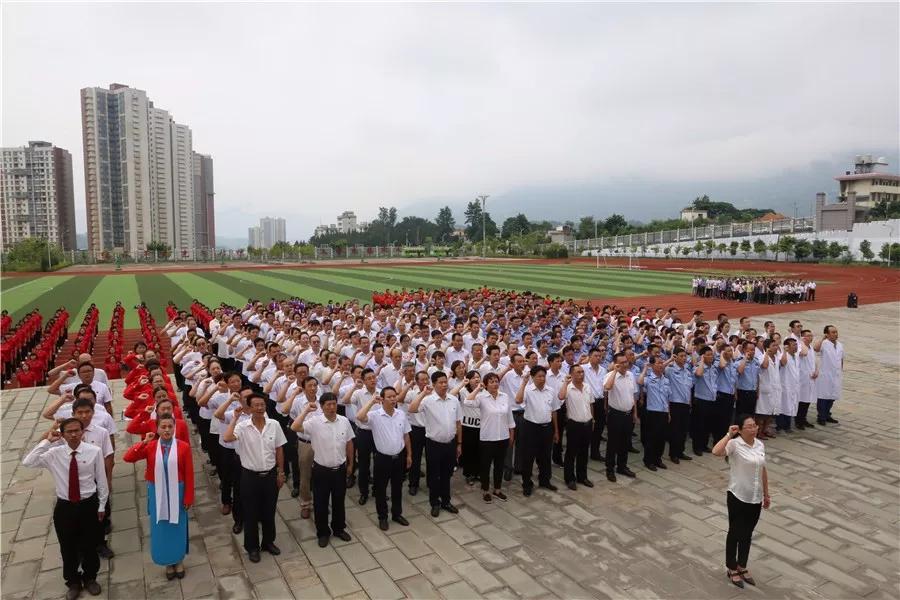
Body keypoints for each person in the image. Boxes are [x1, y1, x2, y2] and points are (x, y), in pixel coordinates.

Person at [22, 419, 108, 600]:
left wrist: (101, 505)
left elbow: (101, 480)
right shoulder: (54, 454)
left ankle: (90, 578)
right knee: (67, 546)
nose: (74, 434)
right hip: (65, 506)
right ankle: (73, 582)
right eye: (69, 431)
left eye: (77, 430)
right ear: (62, 434)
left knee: (89, 544)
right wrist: (47, 440)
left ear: (82, 432)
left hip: (88, 504)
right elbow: (27, 462)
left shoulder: (94, 451)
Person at [123, 415, 194, 580]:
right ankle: (167, 561)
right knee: (161, 526)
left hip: (178, 490)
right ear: (157, 428)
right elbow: (128, 458)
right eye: (163, 427)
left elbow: (189, 473)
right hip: (158, 491)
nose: (167, 430)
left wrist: (188, 497)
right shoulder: (151, 447)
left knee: (178, 525)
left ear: (175, 428)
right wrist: (144, 442)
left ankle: (178, 559)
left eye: (170, 426)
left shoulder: (183, 447)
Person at [221, 392, 287, 563]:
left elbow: (279, 449)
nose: (259, 408)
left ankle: (268, 542)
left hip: (270, 475)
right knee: (250, 513)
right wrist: (235, 418)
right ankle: (252, 547)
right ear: (249, 408)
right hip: (250, 477)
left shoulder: (274, 424)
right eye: (256, 405)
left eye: (262, 405)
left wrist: (281, 472)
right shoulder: (242, 427)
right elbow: (227, 438)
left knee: (269, 511)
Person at [712, 415, 770, 589]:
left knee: (748, 533)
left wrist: (766, 494)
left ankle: (742, 566)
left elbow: (763, 469)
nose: (754, 429)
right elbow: (716, 452)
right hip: (738, 496)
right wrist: (729, 435)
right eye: (750, 426)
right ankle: (731, 567)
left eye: (755, 426)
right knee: (735, 532)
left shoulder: (760, 444)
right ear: (741, 429)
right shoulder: (734, 444)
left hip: (755, 496)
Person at [292, 392, 355, 548]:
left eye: (334, 403)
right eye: (328, 404)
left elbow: (349, 443)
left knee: (339, 501)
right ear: (322, 407)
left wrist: (351, 464)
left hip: (339, 469)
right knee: (320, 503)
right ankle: (323, 533)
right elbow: (295, 427)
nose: (332, 407)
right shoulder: (315, 422)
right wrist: (306, 410)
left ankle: (339, 529)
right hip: (321, 470)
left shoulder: (344, 421)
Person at [356, 386, 412, 531]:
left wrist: (409, 455)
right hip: (382, 459)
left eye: (394, 396)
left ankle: (397, 514)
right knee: (380, 489)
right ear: (382, 399)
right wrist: (371, 402)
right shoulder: (375, 415)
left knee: (397, 488)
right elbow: (360, 417)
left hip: (399, 457)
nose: (393, 399)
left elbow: (406, 435)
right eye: (389, 397)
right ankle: (382, 517)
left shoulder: (400, 414)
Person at [408, 371, 462, 517]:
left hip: (450, 444)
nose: (444, 385)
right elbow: (412, 409)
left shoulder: (453, 400)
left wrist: (459, 443)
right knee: (434, 475)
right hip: (434, 444)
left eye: (446, 382)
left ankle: (446, 501)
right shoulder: (428, 400)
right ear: (434, 384)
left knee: (447, 474)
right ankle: (435, 503)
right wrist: (423, 393)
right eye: (441, 382)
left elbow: (458, 423)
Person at [464, 372, 515, 502]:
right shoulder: (481, 397)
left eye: (496, 381)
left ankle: (497, 490)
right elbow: (467, 401)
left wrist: (511, 434)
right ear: (486, 384)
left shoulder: (505, 397)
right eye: (491, 382)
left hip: (502, 437)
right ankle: (485, 490)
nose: (495, 384)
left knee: (499, 465)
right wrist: (477, 388)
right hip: (487, 438)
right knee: (485, 466)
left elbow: (509, 417)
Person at [515, 365, 560, 495]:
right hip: (530, 428)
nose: (542, 379)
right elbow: (518, 400)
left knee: (546, 456)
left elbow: (554, 411)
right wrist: (524, 383)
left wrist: (556, 430)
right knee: (528, 457)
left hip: (547, 427)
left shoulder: (551, 390)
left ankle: (545, 480)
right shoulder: (528, 390)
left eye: (543, 376)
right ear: (533, 377)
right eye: (539, 376)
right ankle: (527, 483)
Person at [557, 365, 594, 489]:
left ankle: (582, 476)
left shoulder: (588, 387)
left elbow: (591, 404)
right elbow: (561, 397)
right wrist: (565, 383)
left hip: (587, 423)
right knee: (571, 453)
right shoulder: (568, 388)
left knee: (584, 452)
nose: (581, 374)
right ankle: (570, 478)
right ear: (571, 374)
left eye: (582, 372)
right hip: (574, 425)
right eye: (578, 372)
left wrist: (592, 419)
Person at [604, 352, 637, 482]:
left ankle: (622, 466)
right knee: (613, 443)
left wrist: (634, 413)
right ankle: (610, 469)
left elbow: (632, 395)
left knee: (625, 442)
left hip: (628, 414)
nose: (625, 364)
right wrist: (614, 372)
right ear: (616, 363)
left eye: (626, 361)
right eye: (621, 362)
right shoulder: (609, 376)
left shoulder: (630, 375)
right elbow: (607, 387)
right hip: (615, 415)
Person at [638, 358, 669, 471]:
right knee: (651, 438)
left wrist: (668, 412)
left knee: (661, 438)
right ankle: (648, 460)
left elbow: (667, 398)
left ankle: (658, 459)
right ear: (652, 365)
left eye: (662, 363)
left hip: (664, 412)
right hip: (652, 412)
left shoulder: (666, 380)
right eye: (659, 363)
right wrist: (646, 368)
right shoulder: (649, 379)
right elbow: (640, 382)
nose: (661, 365)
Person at [664, 347, 693, 464]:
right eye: (681, 356)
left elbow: (688, 388)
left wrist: (690, 401)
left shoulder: (687, 370)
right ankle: (673, 453)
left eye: (685, 356)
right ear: (675, 357)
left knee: (683, 430)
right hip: (675, 403)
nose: (684, 358)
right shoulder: (670, 369)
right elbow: (659, 369)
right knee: (675, 430)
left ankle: (681, 451)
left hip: (685, 403)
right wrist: (670, 359)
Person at [814, 325, 843, 425]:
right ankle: (821, 417)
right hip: (825, 375)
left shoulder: (840, 345)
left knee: (832, 396)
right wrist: (823, 338)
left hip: (836, 375)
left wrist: (840, 371)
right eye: (833, 332)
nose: (835, 334)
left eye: (836, 332)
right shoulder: (824, 343)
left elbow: (841, 359)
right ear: (827, 334)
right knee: (823, 396)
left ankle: (827, 414)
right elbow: (816, 348)